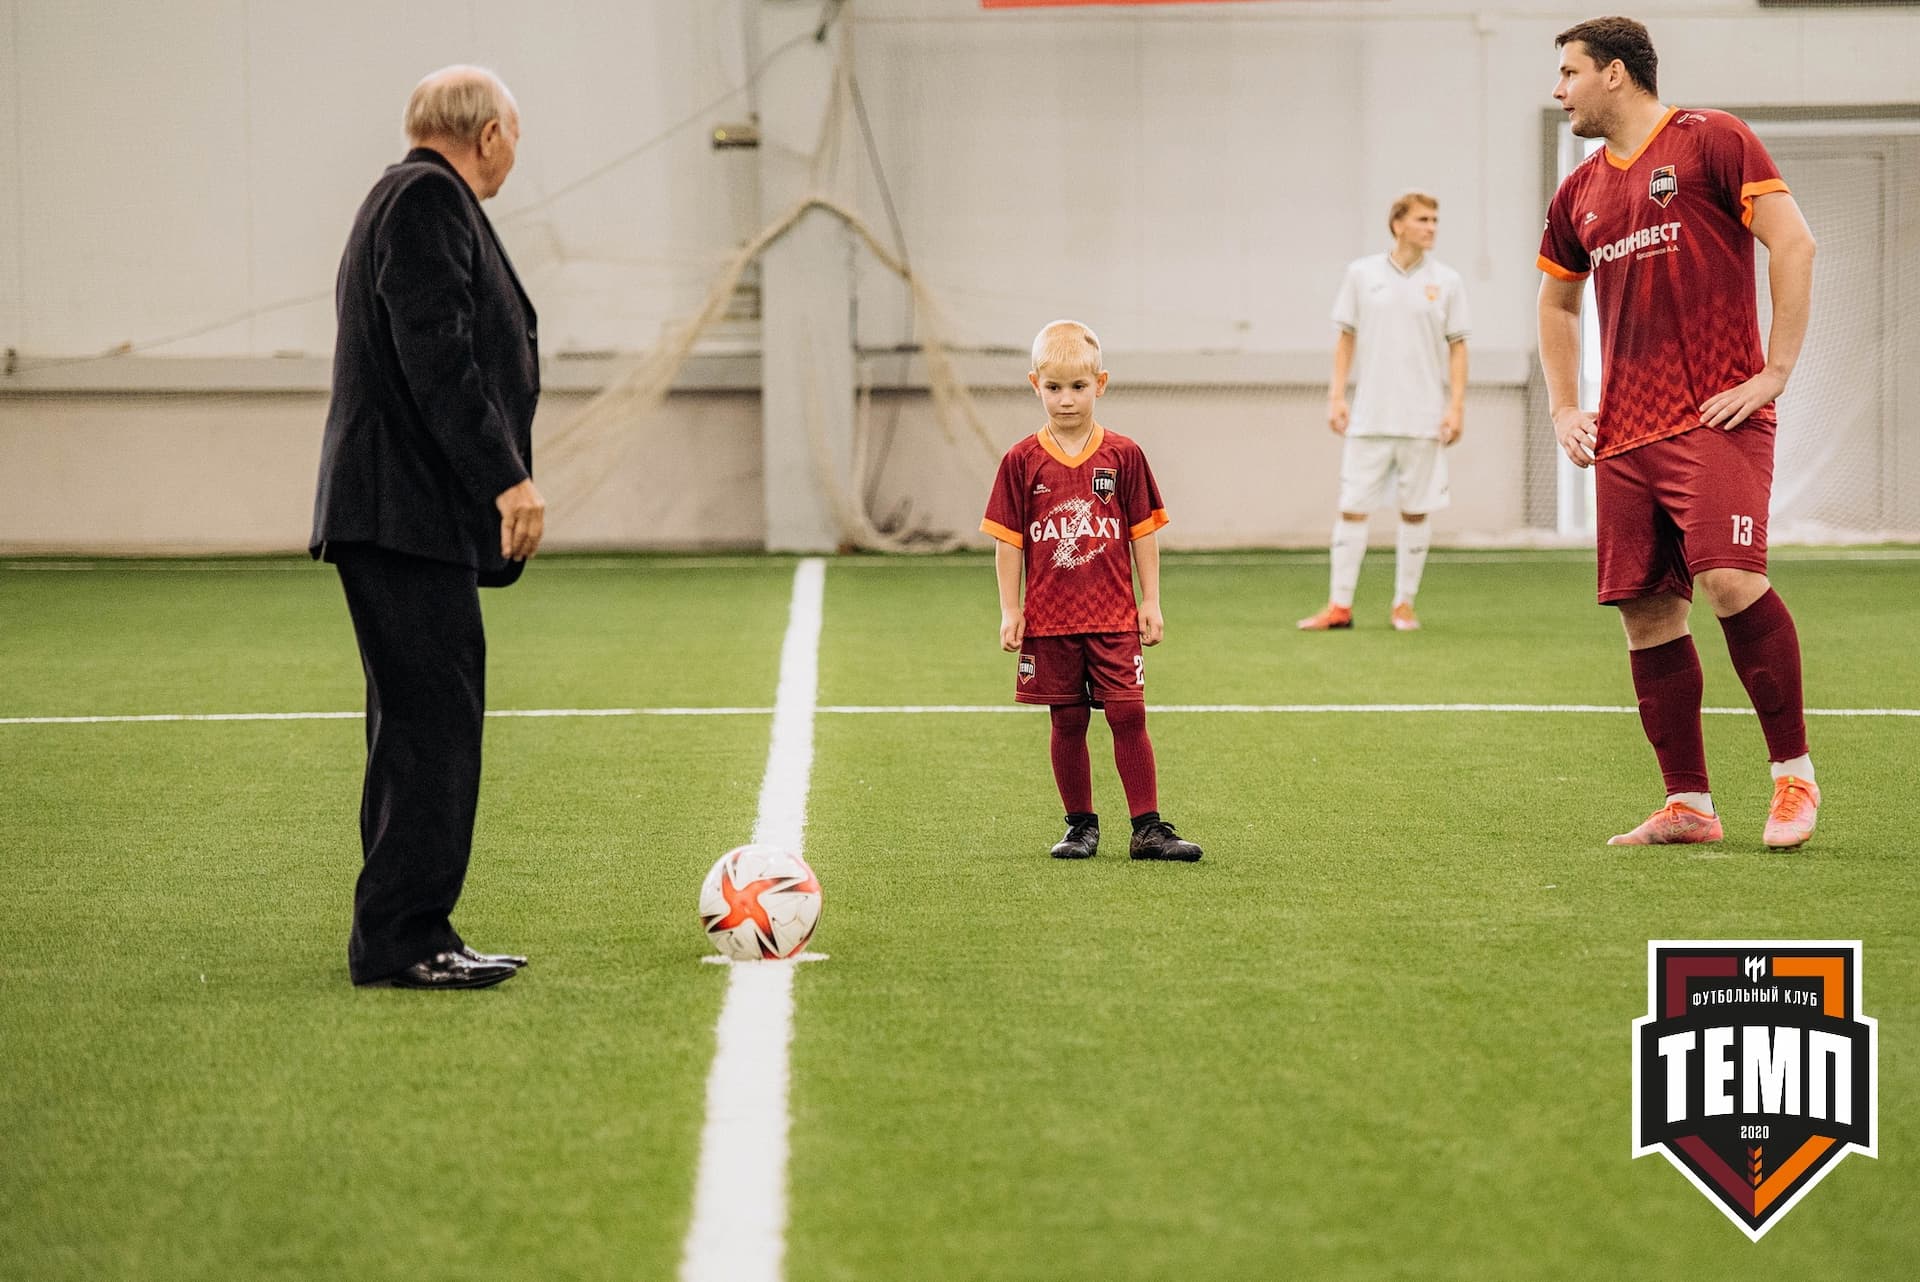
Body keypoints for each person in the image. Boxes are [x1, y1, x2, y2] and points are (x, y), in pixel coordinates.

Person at [1536, 17, 1820, 849]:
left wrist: (1774, 373)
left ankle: (1793, 780)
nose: (1560, 90)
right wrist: (1563, 405)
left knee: (1731, 581)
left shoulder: (1712, 141)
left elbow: (1794, 245)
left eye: (1570, 73)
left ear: (1616, 73)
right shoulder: (1579, 190)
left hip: (1714, 416)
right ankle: (1688, 805)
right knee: (1647, 615)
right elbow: (1555, 300)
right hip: (1623, 434)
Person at [311, 66, 546, 987]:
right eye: (515, 138)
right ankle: (407, 939)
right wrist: (507, 480)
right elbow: (437, 353)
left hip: (400, 511)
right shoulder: (425, 199)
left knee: (418, 722)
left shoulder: (411, 198)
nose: (514, 157)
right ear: (488, 134)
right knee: (431, 726)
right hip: (399, 511)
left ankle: (405, 930)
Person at [981, 321, 1203, 863]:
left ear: (1100, 384)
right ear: (1035, 383)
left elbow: (1142, 531)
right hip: (1051, 621)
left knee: (1129, 714)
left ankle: (1148, 829)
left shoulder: (1124, 455)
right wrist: (1012, 609)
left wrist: (1149, 601)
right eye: (1053, 387)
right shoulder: (1020, 460)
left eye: (1078, 387)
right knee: (1067, 721)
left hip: (1113, 616)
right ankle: (1080, 826)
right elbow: (1008, 542)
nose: (1066, 399)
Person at [1299, 192, 1470, 632]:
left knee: (1416, 511)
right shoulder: (1361, 275)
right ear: (1397, 224)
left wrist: (1455, 407)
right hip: (1369, 418)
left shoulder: (1447, 281)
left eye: (1435, 219)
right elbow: (1345, 338)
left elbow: (1458, 347)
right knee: (1352, 508)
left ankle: (1404, 605)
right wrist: (1336, 397)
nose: (1431, 226)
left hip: (1423, 419)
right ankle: (1339, 606)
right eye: (1422, 219)